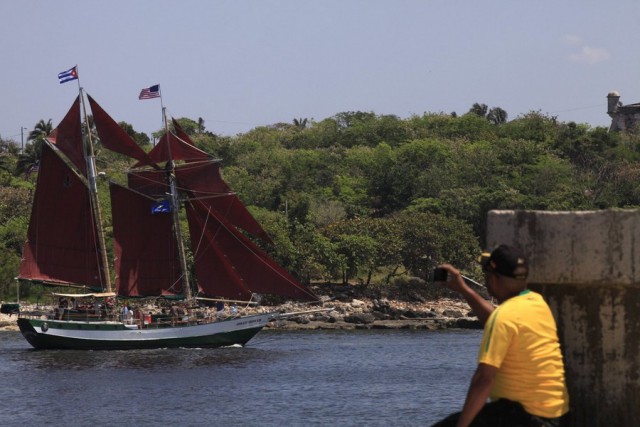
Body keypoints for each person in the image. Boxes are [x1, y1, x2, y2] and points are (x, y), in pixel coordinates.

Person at [432, 245, 569, 427]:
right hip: (557, 418)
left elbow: (484, 379)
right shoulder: (536, 303)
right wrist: (464, 290)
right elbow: (497, 320)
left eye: (486, 274)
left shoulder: (504, 317)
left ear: (493, 279)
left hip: (526, 419)